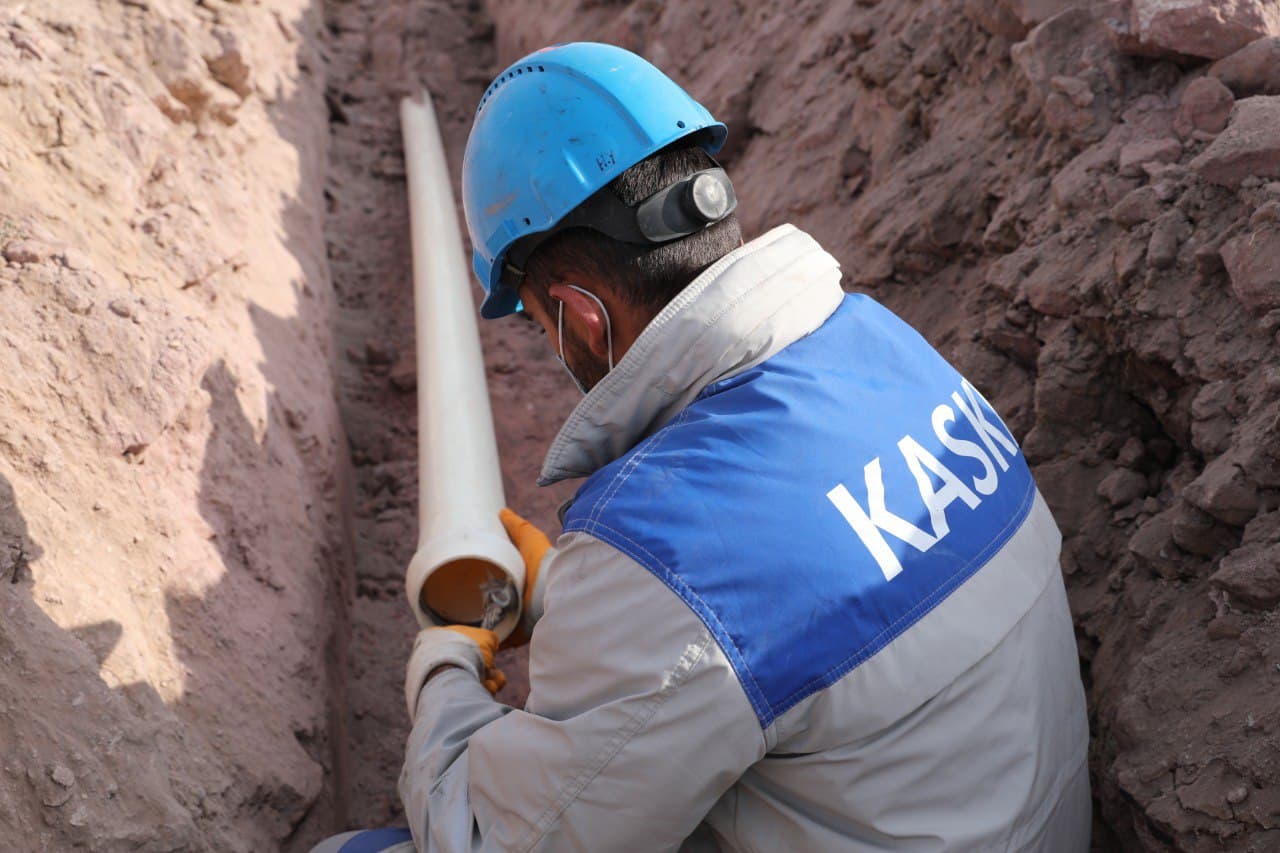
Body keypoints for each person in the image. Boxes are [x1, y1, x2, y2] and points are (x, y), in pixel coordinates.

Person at [317, 41, 1091, 853]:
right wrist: (562, 600)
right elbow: (794, 578)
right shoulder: (889, 349)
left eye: (542, 328)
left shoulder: (673, 548)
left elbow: (483, 839)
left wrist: (443, 669)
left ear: (582, 316)